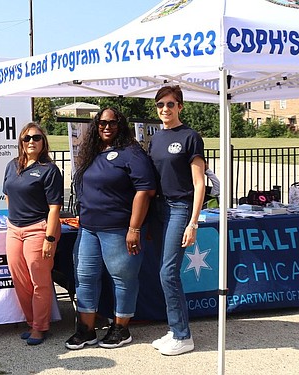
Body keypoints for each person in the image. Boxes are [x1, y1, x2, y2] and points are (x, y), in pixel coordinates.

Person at [64, 107, 156, 350]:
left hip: (118, 228)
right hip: (88, 228)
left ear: (120, 125)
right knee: (84, 277)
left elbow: (145, 191)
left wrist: (134, 228)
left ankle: (121, 328)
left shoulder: (132, 153)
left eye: (112, 123)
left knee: (123, 278)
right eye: (102, 123)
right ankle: (85, 330)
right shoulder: (93, 151)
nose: (106, 127)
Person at [148, 85, 205, 356]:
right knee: (164, 271)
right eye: (160, 105)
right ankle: (174, 329)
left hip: (180, 208)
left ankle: (183, 336)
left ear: (180, 106)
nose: (165, 109)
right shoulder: (156, 138)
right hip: (159, 209)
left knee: (168, 272)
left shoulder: (190, 137)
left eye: (170, 104)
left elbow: (199, 183)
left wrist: (193, 222)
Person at [2, 122, 63, 346]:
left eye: (36, 138)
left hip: (38, 229)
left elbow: (55, 207)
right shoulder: (12, 165)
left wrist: (49, 237)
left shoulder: (49, 170)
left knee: (40, 281)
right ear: (21, 141)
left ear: (43, 142)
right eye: (26, 138)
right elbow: (8, 194)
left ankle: (40, 327)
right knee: (20, 280)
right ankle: (31, 322)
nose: (31, 142)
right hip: (14, 229)